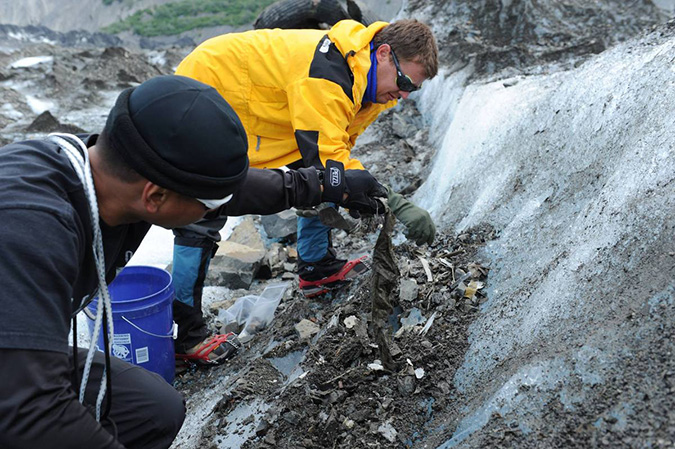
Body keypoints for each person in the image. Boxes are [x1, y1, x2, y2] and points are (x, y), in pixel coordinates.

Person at [0, 74, 386, 449]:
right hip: (17, 385)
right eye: (211, 207)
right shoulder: (29, 228)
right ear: (155, 198)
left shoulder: (113, 176)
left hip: (19, 363)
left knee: (152, 411)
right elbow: (32, 411)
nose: (218, 210)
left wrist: (319, 185)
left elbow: (224, 190)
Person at [170, 18, 439, 362]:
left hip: (260, 102)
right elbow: (330, 161)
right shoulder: (329, 75)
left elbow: (331, 153)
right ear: (384, 54)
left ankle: (317, 268)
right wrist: (395, 203)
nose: (402, 96)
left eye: (411, 90)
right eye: (404, 83)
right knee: (204, 202)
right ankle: (187, 335)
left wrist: (356, 188)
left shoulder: (368, 81)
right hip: (209, 88)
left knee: (321, 174)